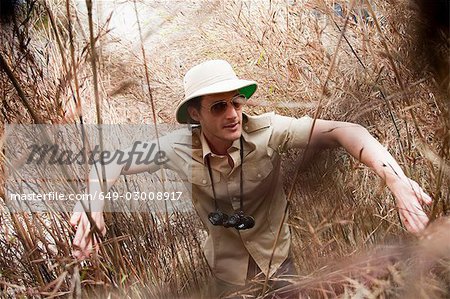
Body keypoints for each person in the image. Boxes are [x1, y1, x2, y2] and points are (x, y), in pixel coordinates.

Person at [70, 59, 432, 297]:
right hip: (225, 273)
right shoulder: (177, 147)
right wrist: (93, 201)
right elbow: (110, 161)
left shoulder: (268, 131)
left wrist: (395, 180)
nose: (233, 114)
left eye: (237, 102)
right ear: (195, 114)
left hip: (279, 262)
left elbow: (345, 130)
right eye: (218, 106)